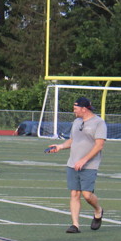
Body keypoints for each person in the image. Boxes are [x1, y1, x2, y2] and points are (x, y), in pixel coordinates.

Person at [46, 97, 107, 233]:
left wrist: (84, 160)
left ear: (84, 109)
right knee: (74, 193)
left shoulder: (99, 123)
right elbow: (72, 140)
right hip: (73, 163)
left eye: (75, 108)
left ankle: (98, 210)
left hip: (89, 165)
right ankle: (75, 225)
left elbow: (99, 145)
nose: (74, 111)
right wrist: (60, 146)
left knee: (87, 195)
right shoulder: (76, 122)